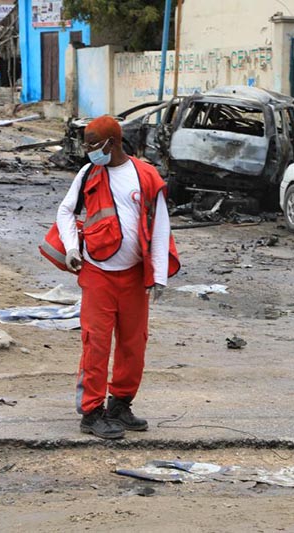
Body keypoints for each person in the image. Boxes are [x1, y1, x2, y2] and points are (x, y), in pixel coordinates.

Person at [56, 115, 180, 440]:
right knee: (95, 344)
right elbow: (65, 211)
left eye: (93, 145)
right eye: (86, 145)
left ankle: (120, 405)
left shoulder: (145, 175)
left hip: (134, 277)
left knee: (133, 344)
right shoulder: (88, 174)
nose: (88, 151)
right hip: (97, 274)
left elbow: (160, 223)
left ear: (113, 142)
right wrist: (72, 247)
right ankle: (92, 413)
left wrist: (159, 274)